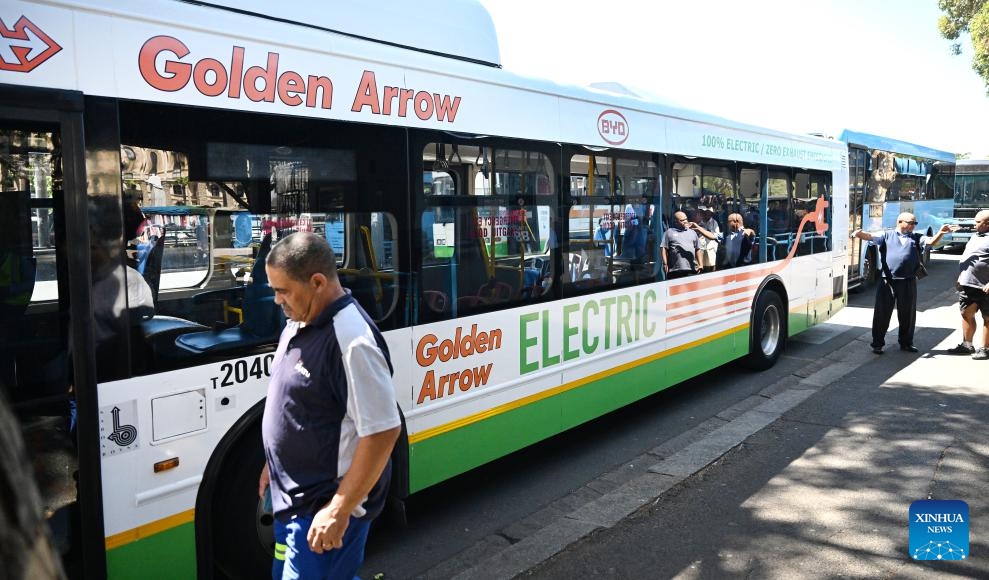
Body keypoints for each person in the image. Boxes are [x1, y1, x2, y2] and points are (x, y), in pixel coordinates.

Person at [258, 232, 401, 580]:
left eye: (283, 290)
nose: (277, 300)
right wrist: (273, 461)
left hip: (321, 507)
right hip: (291, 502)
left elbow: (383, 431)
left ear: (318, 282)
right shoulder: (299, 322)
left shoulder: (352, 341)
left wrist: (338, 510)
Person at [852, 212, 958, 354]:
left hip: (907, 281)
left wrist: (941, 232)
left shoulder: (917, 237)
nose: (913, 226)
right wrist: (859, 233)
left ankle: (906, 343)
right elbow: (870, 237)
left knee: (907, 314)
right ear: (900, 222)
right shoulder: (887, 235)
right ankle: (877, 344)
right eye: (910, 223)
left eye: (915, 223)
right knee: (881, 314)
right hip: (887, 282)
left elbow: (932, 242)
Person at [946, 209, 989, 359]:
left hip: (985, 287)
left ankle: (985, 348)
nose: (974, 224)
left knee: (988, 317)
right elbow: (967, 257)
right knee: (966, 314)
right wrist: (961, 277)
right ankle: (967, 345)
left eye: (978, 222)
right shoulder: (975, 236)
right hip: (967, 284)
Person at [661, 211, 702, 279]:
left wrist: (701, 264)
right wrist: (665, 264)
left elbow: (698, 249)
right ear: (676, 221)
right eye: (682, 220)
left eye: (686, 219)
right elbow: (663, 248)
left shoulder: (692, 232)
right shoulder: (669, 232)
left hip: (691, 269)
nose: (685, 221)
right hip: (674, 270)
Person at [696, 207, 720, 272]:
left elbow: (716, 235)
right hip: (702, 246)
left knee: (712, 263)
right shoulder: (700, 222)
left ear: (711, 214)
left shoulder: (714, 222)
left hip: (711, 246)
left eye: (708, 213)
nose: (706, 215)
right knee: (703, 264)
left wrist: (706, 231)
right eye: (705, 213)